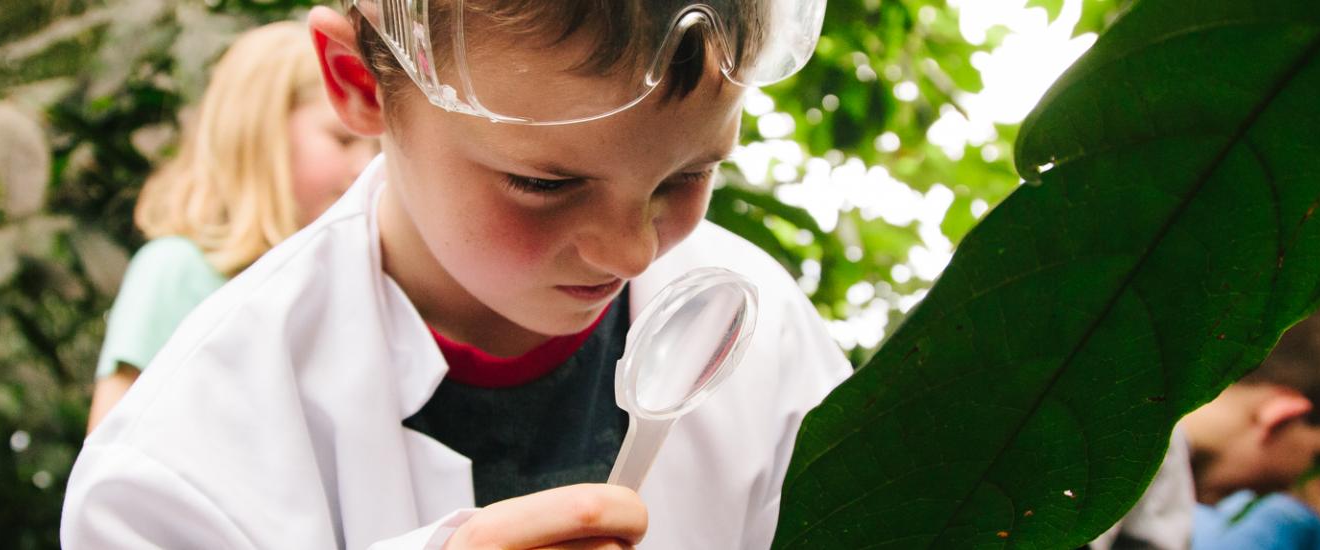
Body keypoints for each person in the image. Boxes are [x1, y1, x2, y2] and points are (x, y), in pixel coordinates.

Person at [62, 0, 847, 548]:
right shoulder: (181, 460)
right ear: (360, 82)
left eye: (688, 175)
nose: (632, 252)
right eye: (545, 184)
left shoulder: (765, 339)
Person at [85, 21, 377, 432]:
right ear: (262, 136)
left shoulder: (346, 281)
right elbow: (111, 451)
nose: (365, 166)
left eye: (373, 147)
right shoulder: (175, 272)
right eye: (342, 140)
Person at [1091, 304, 1320, 550]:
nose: (1292, 486)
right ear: (1280, 414)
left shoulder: (1160, 473)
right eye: (1318, 459)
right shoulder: (1132, 442)